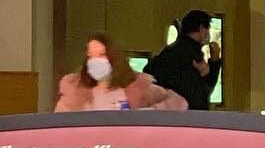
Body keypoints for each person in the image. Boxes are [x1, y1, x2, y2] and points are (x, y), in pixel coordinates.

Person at [55, 33, 186, 111]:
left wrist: (149, 112)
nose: (95, 61)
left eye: (101, 55)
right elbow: (60, 125)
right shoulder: (75, 93)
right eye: (91, 56)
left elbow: (179, 103)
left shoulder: (138, 88)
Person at [144, 9, 221, 111]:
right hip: (188, 117)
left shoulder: (168, 52)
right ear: (201, 28)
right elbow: (200, 92)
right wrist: (212, 65)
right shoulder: (191, 55)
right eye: (208, 29)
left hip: (167, 116)